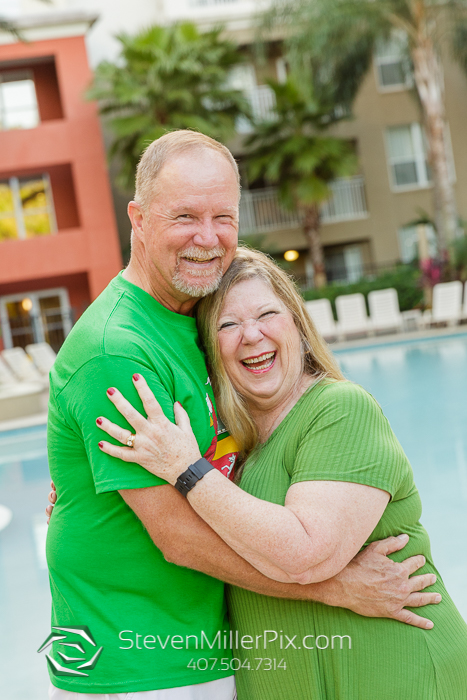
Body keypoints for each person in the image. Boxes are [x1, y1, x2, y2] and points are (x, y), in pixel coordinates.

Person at [46, 131, 441, 700]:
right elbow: (178, 538)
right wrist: (335, 586)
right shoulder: (118, 349)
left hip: (205, 649)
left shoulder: (198, 315)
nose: (207, 239)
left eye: (223, 217)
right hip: (135, 665)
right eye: (185, 216)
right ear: (137, 218)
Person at [96, 246, 467, 700]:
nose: (251, 335)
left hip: (398, 674)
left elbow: (306, 554)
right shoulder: (226, 445)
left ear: (298, 325)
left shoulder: (340, 410)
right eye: (227, 325)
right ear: (211, 353)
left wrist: (185, 470)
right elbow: (180, 538)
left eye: (267, 314)